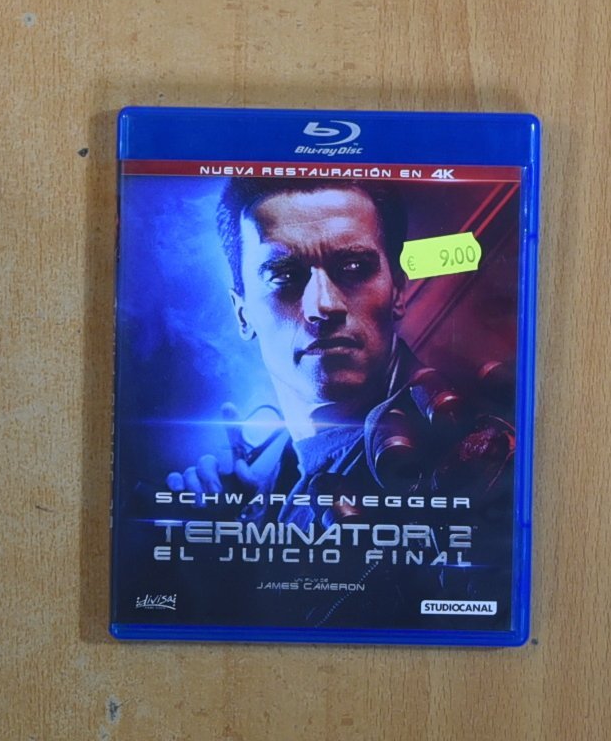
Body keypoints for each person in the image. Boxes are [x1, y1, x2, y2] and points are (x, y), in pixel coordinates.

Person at [165, 178, 511, 530]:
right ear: (242, 314)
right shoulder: (277, 473)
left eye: (354, 267)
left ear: (398, 290)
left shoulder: (465, 450)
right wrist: (244, 527)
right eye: (284, 275)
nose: (323, 305)